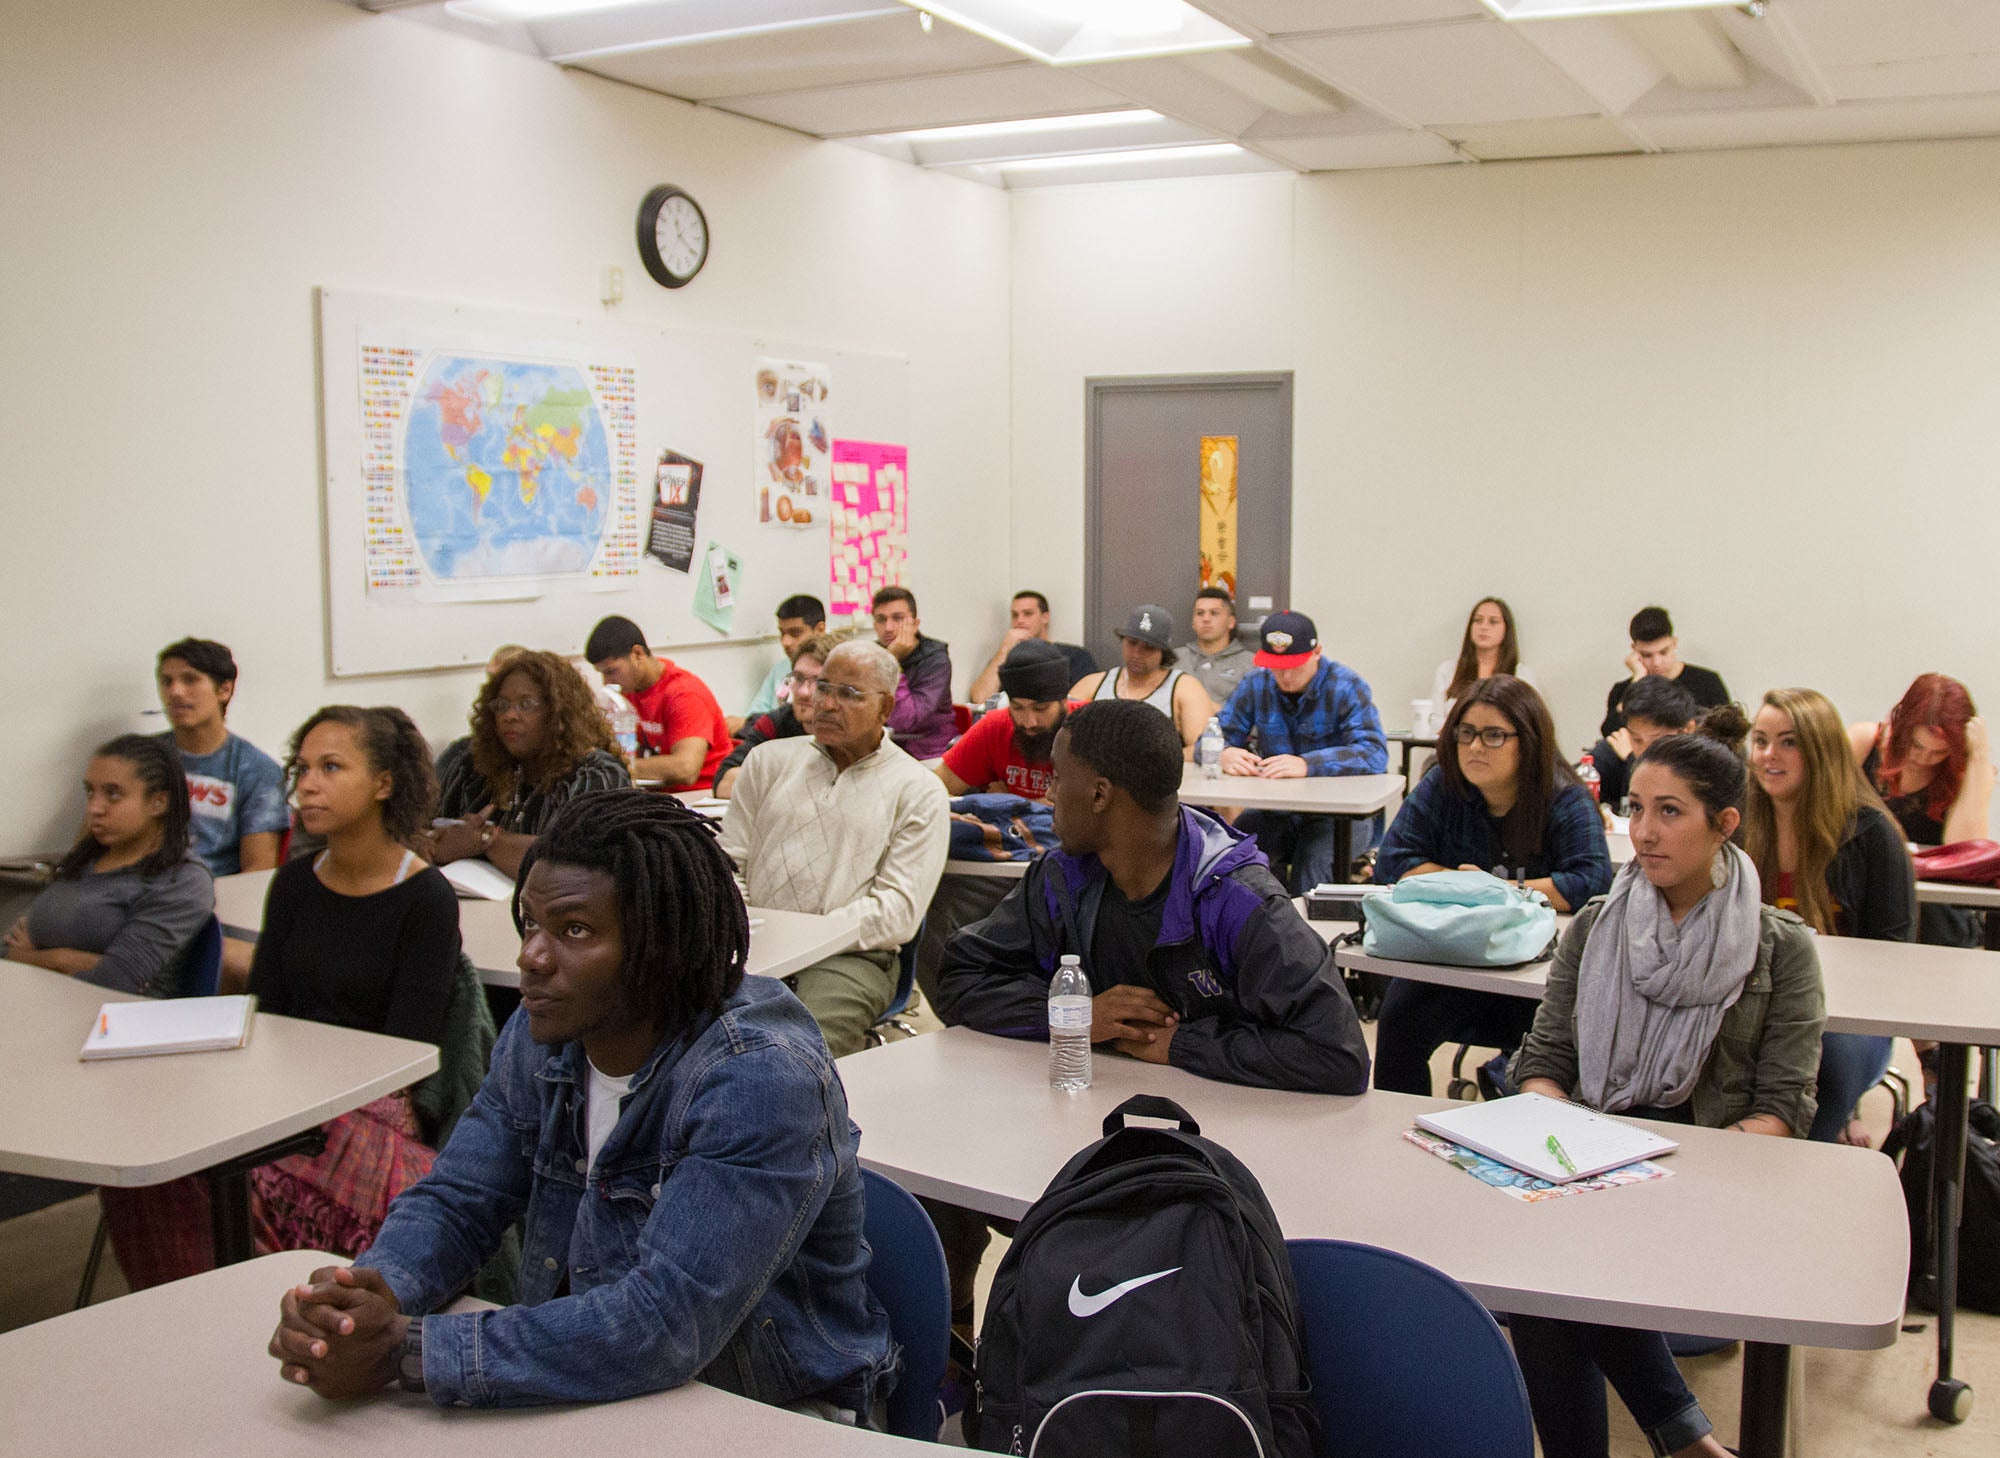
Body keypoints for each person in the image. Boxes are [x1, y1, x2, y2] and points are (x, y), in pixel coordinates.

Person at [266, 791, 895, 1416]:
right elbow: (461, 1199)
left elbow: (665, 1323)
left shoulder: (758, 1079)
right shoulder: (548, 1034)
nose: (531, 957)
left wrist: (407, 1352)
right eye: (532, 924)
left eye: (575, 931)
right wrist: (368, 1298)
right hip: (598, 1379)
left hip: (770, 1408)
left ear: (663, 944)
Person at [931, 699, 1371, 1335]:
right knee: (941, 1183)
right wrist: (1075, 1014)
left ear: (1102, 793)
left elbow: (1338, 1056)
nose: (1047, 793)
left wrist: (1183, 1045)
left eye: (1059, 777)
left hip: (1227, 1162)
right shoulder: (1063, 877)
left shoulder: (1237, 901)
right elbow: (961, 977)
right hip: (1087, 1130)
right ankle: (955, 1356)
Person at [1509, 731, 1824, 1458]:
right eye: (1637, 808)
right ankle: (1688, 1441)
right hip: (1587, 1157)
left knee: (1556, 1260)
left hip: (1713, 1172)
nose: (1644, 832)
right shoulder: (1597, 925)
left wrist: (1652, 1164)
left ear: (1725, 825)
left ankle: (1677, 1439)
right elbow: (1546, 1059)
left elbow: (1783, 1110)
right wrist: (1561, 1135)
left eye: (1671, 812)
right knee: (1553, 1255)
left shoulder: (1780, 948)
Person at [1370, 676, 1615, 1096]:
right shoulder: (1442, 784)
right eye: (1466, 733)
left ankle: (1505, 1086)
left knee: (1545, 1055)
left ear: (1528, 740)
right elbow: (1392, 862)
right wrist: (1464, 886)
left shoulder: (1566, 798)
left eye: (1494, 735)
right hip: (1450, 952)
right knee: (1396, 1025)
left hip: (1535, 968)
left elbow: (1589, 882)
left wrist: (1496, 888)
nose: (1475, 747)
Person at [719, 640, 949, 1056]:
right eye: (823, 688)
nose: (825, 703)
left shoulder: (917, 790)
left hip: (849, 957)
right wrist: (752, 928)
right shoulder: (766, 763)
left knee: (791, 1051)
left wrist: (807, 940)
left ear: (885, 708)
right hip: (754, 942)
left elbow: (896, 912)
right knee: (681, 1031)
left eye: (848, 694)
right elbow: (726, 865)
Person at [1742, 688, 1914, 1144]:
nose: (1768, 755)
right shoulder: (1737, 823)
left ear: (1821, 751)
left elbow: (1892, 960)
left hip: (1845, 1018)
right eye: (1760, 740)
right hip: (1755, 1006)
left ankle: (1797, 1175)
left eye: (1789, 742)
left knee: (1822, 1065)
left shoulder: (1872, 835)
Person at [916, 639, 1076, 1003]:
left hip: (1065, 870)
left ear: (1063, 700)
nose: (1030, 721)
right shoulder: (997, 726)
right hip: (1002, 871)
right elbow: (933, 791)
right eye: (1019, 708)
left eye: (1041, 708)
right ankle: (954, 1006)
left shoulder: (1087, 729)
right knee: (932, 896)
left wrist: (1004, 801)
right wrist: (1026, 805)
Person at [5, 733, 211, 997]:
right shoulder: (86, 860)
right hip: (35, 1003)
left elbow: (115, 981)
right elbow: (8, 949)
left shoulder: (182, 880)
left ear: (159, 802)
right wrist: (65, 962)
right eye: (90, 792)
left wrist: (54, 958)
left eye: (113, 794)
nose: (94, 808)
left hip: (111, 1024)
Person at [1217, 610, 1388, 891]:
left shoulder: (1346, 686)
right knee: (1240, 847)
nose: (1284, 675)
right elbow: (1214, 738)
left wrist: (1309, 764)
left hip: (1339, 816)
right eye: (1276, 665)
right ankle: (1255, 928)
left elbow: (1374, 752)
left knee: (1313, 861)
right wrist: (1224, 752)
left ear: (1317, 652)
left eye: (1294, 665)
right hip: (1278, 811)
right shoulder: (1256, 683)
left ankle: (1311, 933)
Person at [423, 651, 631, 879]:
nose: (509, 715)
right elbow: (419, 834)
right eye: (501, 705)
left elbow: (576, 864)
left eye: (526, 704)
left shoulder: (596, 774)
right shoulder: (472, 764)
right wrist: (436, 845)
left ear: (558, 711)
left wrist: (486, 839)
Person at [1852, 673, 1992, 948]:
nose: (1924, 758)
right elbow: (1824, 809)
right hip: (1865, 886)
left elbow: (1964, 850)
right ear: (1902, 728)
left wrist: (1978, 758)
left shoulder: (1969, 771)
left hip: (1935, 911)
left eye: (1939, 753)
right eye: (1916, 745)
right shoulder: (1865, 741)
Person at [153, 637, 289, 878]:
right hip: (135, 893)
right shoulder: (139, 758)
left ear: (224, 690)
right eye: (166, 681)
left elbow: (258, 872)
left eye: (189, 679)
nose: (174, 691)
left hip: (213, 898)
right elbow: (93, 843)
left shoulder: (257, 770)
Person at [585, 615, 732, 789]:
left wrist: (613, 766)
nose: (606, 682)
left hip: (701, 794)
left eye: (611, 671)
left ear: (637, 654)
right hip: (662, 793)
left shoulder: (684, 693)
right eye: (602, 673)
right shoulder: (628, 693)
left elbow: (686, 769)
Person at [1069, 603, 1215, 755]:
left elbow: (1203, 748)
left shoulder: (1185, 688)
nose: (1137, 653)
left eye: (1148, 647)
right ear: (1123, 640)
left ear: (1162, 651)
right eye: (1132, 643)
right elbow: (1065, 736)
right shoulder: (1092, 685)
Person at [713, 631, 830, 798]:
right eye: (798, 678)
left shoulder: (855, 729)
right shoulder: (774, 723)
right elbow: (724, 782)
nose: (804, 692)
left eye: (818, 682)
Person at [1600, 605, 1731, 744]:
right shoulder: (1622, 690)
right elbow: (1611, 734)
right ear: (1634, 651)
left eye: (1663, 652)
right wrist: (1637, 679)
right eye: (1647, 655)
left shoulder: (1707, 682)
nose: (1657, 662)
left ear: (1674, 643)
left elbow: (1730, 735)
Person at [1587, 674, 1700, 818]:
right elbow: (1573, 784)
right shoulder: (1621, 744)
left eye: (1655, 741)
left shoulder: (1699, 764)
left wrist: (1632, 761)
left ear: (1687, 730)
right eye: (1636, 739)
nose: (1644, 750)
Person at [870, 586, 957, 759]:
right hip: (885, 750)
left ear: (915, 624)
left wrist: (892, 662)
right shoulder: (871, 655)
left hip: (929, 753)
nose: (888, 627)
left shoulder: (936, 660)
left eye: (897, 618)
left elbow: (906, 721)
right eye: (881, 619)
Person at [967, 589, 1097, 704]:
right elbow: (980, 698)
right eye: (1015, 615)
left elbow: (1079, 704)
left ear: (1045, 617)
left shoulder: (1075, 656)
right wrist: (1004, 650)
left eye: (1028, 614)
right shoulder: (1006, 657)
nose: (1019, 620)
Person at [729, 593, 827, 737]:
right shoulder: (780, 669)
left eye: (795, 633)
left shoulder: (834, 668)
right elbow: (752, 717)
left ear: (820, 630)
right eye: (782, 633)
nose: (785, 642)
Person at [1430, 597, 1535, 720]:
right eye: (1478, 620)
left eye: (1493, 621)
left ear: (1507, 629)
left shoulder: (1521, 675)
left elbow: (1531, 723)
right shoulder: (1448, 670)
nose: (1483, 627)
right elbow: (1435, 719)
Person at [1175, 586, 1256, 707]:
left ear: (1231, 622)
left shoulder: (1251, 664)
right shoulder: (1175, 659)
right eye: (1200, 613)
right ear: (1193, 622)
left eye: (1214, 613)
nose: (1206, 619)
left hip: (1228, 724)